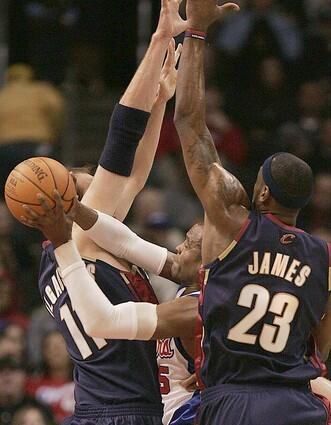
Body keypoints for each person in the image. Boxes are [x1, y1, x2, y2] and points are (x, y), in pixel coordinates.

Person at [21, 2, 188, 424]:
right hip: (124, 411)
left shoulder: (67, 250)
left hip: (97, 409)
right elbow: (120, 143)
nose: (98, 182)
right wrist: (157, 43)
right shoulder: (80, 235)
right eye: (84, 182)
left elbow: (133, 175)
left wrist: (160, 101)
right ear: (65, 201)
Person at [172, 0, 331, 424]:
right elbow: (322, 342)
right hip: (298, 403)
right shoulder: (323, 256)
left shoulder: (232, 220)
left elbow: (189, 124)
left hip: (235, 399)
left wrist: (197, 31)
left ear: (261, 193)